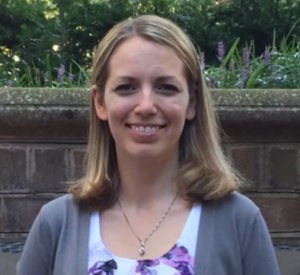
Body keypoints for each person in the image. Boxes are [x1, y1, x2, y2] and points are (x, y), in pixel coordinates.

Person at [17, 15, 280, 275]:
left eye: (166, 87)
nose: (145, 106)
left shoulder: (239, 221)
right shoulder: (56, 224)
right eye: (126, 87)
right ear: (99, 102)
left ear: (191, 102)